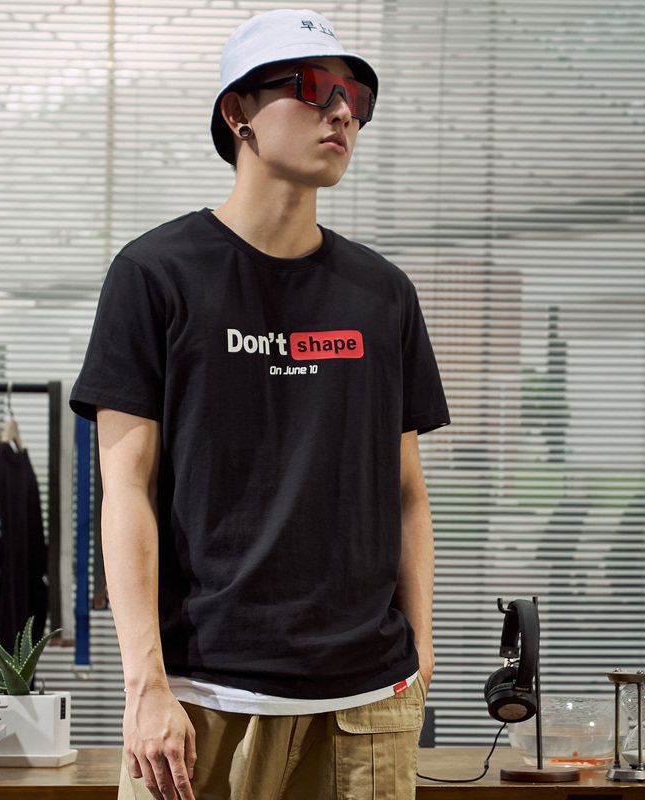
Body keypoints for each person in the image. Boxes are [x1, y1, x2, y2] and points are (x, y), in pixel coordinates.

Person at [70, 8, 450, 800]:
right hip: (199, 700)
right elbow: (125, 490)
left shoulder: (383, 294)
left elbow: (408, 493)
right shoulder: (155, 274)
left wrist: (422, 652)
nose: (341, 112)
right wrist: (145, 684)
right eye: (314, 88)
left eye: (356, 97)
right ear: (236, 111)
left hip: (365, 704)